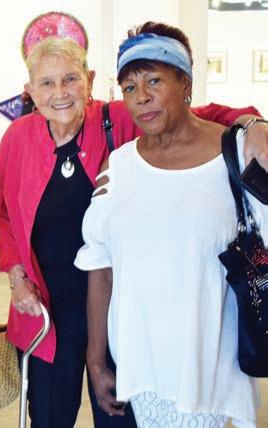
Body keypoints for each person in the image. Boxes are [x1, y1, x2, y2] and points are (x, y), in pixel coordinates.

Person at [0, 35, 267, 427]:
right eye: (46, 83)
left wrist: (254, 124)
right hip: (48, 309)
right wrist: (17, 277)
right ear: (30, 91)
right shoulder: (17, 139)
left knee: (118, 416)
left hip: (118, 307)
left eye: (70, 79)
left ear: (89, 80)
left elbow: (201, 114)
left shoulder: (118, 117)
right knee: (49, 417)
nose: (60, 93)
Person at [75, 21, 264, 428]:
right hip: (142, 366)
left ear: (186, 83)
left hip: (211, 365)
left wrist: (255, 125)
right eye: (129, 87)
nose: (141, 97)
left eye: (154, 81)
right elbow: (100, 268)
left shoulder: (236, 154)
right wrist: (96, 360)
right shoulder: (119, 168)